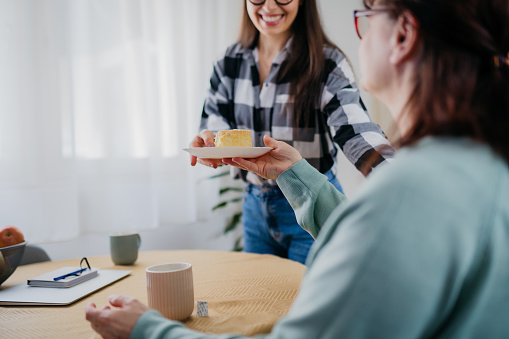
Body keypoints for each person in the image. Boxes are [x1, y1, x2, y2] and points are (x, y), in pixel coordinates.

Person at [86, 0, 509, 337]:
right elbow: (213, 122)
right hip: (263, 195)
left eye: (364, 15)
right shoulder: (483, 163)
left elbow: (360, 139)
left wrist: (148, 331)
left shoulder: (407, 194)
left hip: (302, 214)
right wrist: (293, 171)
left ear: (402, 35)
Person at [189, 0, 394, 264]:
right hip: (254, 208)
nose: (270, 6)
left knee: (306, 300)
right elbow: (214, 119)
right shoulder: (228, 62)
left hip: (311, 203)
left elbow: (356, 132)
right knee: (261, 301)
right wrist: (209, 141)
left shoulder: (327, 62)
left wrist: (398, 178)